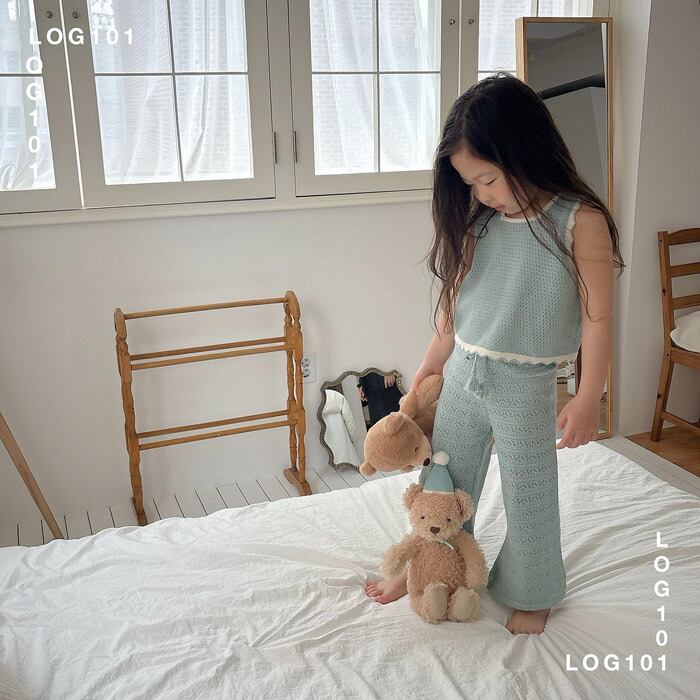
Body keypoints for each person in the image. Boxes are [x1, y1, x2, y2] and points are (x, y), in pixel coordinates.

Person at [365, 74, 625, 635]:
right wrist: (432, 361)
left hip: (526, 384)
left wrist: (588, 397)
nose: (482, 193)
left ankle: (531, 589)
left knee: (530, 491)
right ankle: (424, 568)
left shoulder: (578, 221)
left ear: (525, 150)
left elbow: (598, 319)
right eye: (471, 183)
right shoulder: (481, 223)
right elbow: (455, 304)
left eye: (487, 178)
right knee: (444, 481)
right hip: (463, 373)